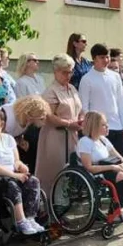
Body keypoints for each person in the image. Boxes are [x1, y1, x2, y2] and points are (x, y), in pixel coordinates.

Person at [0, 109, 48, 234]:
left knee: (32, 181)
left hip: (9, 176)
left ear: (2, 124)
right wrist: (14, 175)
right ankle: (21, 222)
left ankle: (30, 218)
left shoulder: (8, 139)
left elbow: (16, 161)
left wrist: (21, 166)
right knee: (10, 185)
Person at [76, 111, 123, 219]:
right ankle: (118, 210)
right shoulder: (85, 142)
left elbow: (120, 157)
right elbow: (89, 167)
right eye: (104, 125)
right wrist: (112, 167)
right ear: (94, 126)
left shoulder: (103, 140)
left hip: (107, 168)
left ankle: (120, 208)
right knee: (121, 176)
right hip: (94, 173)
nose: (107, 127)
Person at [79, 44, 123, 167]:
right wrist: (89, 129)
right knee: (104, 164)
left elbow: (121, 102)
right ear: (94, 58)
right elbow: (85, 107)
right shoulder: (87, 79)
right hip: (97, 130)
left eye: (107, 57)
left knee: (121, 163)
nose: (106, 60)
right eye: (102, 57)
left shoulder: (115, 77)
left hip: (116, 126)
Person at [38, 54, 83, 194]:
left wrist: (81, 118)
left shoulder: (72, 89)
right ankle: (50, 202)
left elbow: (79, 108)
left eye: (70, 72)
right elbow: (49, 116)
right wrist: (69, 123)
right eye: (65, 72)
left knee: (71, 167)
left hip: (72, 134)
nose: (68, 75)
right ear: (55, 71)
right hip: (55, 136)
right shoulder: (51, 91)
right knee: (55, 170)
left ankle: (66, 199)